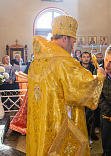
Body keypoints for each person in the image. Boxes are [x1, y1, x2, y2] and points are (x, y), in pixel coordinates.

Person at [27, 14, 106, 156]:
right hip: (61, 125)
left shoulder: (36, 61)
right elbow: (81, 88)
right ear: (65, 38)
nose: (72, 46)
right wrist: (100, 77)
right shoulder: (64, 61)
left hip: (40, 124)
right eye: (72, 41)